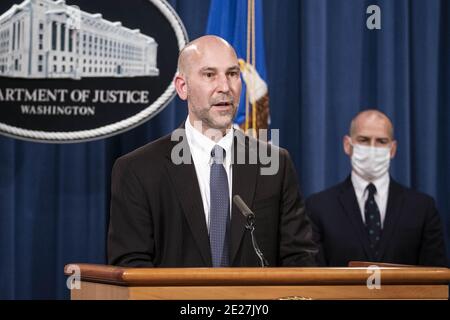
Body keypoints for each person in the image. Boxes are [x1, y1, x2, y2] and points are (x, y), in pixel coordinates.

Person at [107, 35, 318, 267]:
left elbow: (300, 260)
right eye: (209, 75)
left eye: (232, 74)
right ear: (182, 87)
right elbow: (130, 266)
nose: (225, 87)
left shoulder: (275, 164)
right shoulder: (139, 170)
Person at [306, 110, 447, 267]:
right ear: (347, 145)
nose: (372, 148)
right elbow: (315, 276)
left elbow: (436, 277)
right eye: (364, 140)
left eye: (381, 141)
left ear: (392, 149)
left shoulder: (422, 208)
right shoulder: (319, 207)